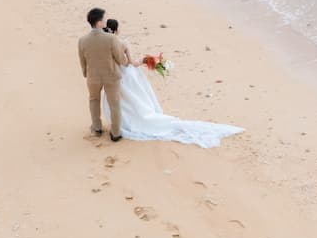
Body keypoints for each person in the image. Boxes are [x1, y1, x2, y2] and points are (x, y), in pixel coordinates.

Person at [98, 16, 242, 148]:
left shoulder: (104, 44)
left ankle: (121, 124)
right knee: (135, 101)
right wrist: (145, 60)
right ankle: (130, 123)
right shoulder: (123, 43)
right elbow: (132, 63)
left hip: (113, 76)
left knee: (122, 102)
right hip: (128, 76)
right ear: (117, 30)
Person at [77, 7, 129, 142]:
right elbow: (119, 58)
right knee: (115, 104)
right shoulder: (111, 38)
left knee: (94, 100)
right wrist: (125, 60)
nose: (105, 21)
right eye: (104, 19)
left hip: (92, 77)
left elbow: (82, 61)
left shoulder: (82, 40)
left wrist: (85, 73)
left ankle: (97, 128)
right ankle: (116, 133)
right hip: (111, 76)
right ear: (99, 23)